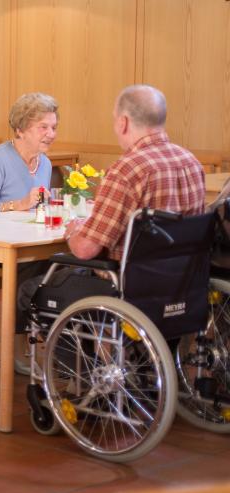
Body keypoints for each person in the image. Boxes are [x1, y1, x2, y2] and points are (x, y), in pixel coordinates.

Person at [17, 84, 206, 319]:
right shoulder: (191, 162)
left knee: (30, 289)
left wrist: (73, 231)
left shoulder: (128, 169)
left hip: (127, 286)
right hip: (182, 283)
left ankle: (68, 355)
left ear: (123, 122)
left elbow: (85, 249)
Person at [0, 92, 59, 215]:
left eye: (54, 128)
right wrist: (20, 204)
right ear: (20, 130)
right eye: (43, 127)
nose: (51, 134)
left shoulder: (45, 163)